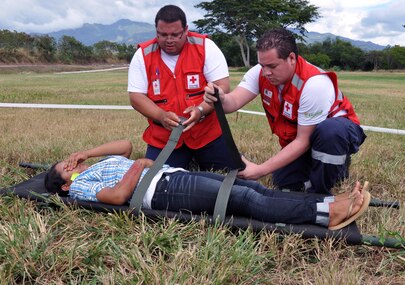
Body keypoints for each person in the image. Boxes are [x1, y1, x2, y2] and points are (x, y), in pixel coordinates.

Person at [44, 140, 371, 230]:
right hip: (161, 192)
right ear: (63, 186)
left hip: (170, 176)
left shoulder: (93, 166)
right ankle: (326, 216)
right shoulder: (80, 187)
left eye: (75, 162)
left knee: (253, 188)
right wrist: (142, 166)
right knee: (244, 199)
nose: (75, 165)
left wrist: (85, 153)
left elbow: (126, 145)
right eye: (67, 167)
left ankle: (325, 204)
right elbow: (116, 196)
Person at [204, 28, 367, 194]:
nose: (266, 72)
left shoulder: (314, 83)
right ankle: (320, 170)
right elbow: (233, 103)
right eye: (262, 65)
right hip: (302, 137)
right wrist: (221, 98)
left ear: (291, 58)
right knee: (284, 183)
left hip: (338, 133)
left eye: (272, 66)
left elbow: (304, 140)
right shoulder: (259, 72)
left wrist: (260, 170)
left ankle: (331, 177)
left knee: (330, 133)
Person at [128, 4, 234, 171]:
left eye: (175, 35)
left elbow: (222, 86)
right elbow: (136, 97)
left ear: (186, 30)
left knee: (232, 175)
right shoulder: (143, 55)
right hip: (165, 138)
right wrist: (161, 115)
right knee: (155, 182)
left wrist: (200, 110)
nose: (169, 40)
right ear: (156, 31)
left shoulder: (205, 47)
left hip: (207, 134)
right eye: (163, 35)